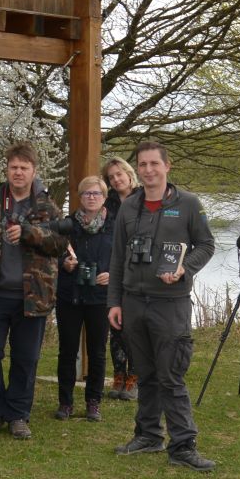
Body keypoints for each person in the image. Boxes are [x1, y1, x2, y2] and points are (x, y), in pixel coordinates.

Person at [108, 140, 218, 471]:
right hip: (133, 301)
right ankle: (149, 435)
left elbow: (207, 245)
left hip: (170, 304)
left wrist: (186, 268)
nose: (148, 170)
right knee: (146, 374)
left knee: (171, 375)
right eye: (142, 165)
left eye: (154, 164)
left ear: (167, 166)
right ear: (137, 170)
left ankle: (183, 445)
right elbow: (117, 257)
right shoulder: (129, 207)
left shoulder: (187, 204)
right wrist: (114, 301)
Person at [0, 142, 67, 442]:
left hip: (33, 295)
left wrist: (30, 233)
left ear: (34, 171)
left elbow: (60, 244)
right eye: (13, 167)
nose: (18, 172)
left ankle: (18, 414)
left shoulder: (46, 205)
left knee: (26, 358)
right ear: (7, 170)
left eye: (24, 168)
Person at [54, 176, 114, 422]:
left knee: (97, 352)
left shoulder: (114, 225)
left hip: (100, 298)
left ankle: (93, 401)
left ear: (104, 197)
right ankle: (65, 402)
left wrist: (111, 274)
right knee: (67, 351)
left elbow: (123, 258)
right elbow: (50, 255)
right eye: (87, 193)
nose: (91, 197)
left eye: (96, 193)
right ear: (80, 197)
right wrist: (63, 264)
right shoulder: (67, 225)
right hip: (71, 296)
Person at [100, 153, 139, 401]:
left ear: (129, 174)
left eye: (119, 175)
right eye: (111, 177)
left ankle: (135, 379)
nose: (116, 180)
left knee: (134, 329)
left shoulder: (144, 199)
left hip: (137, 273)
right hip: (112, 272)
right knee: (115, 327)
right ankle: (118, 378)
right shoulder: (107, 204)